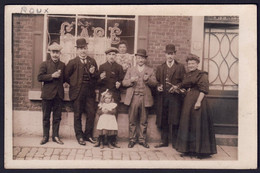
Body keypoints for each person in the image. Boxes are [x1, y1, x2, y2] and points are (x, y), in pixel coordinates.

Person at [175, 54, 217, 159]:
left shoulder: (202, 74)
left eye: (193, 63)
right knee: (188, 124)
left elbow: (203, 90)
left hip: (198, 100)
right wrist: (181, 89)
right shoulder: (187, 75)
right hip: (188, 101)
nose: (191, 65)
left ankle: (201, 151)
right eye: (189, 64)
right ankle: (188, 150)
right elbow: (185, 86)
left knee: (198, 125)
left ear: (197, 64)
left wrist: (198, 102)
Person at [65, 38, 99, 146]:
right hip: (77, 92)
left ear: (87, 49)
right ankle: (79, 136)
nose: (83, 51)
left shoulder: (92, 61)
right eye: (80, 48)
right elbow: (66, 76)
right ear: (77, 50)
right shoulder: (72, 62)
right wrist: (74, 84)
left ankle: (88, 135)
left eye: (84, 48)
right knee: (77, 114)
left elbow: (97, 78)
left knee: (91, 113)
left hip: (89, 92)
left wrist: (93, 74)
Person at [123, 49, 158, 148]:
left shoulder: (150, 70)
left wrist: (148, 80)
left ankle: (142, 140)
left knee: (143, 120)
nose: (141, 60)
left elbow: (155, 84)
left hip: (145, 98)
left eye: (142, 58)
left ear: (145, 59)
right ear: (136, 59)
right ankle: (132, 139)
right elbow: (124, 83)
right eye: (139, 58)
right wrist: (131, 80)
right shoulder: (131, 69)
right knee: (132, 119)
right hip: (133, 97)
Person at [154, 44, 186, 148]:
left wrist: (177, 87)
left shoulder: (180, 67)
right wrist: (158, 87)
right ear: (165, 55)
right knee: (164, 119)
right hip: (163, 98)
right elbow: (157, 82)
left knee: (175, 119)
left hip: (175, 98)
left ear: (175, 54)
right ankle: (164, 141)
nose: (170, 56)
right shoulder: (160, 67)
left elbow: (184, 82)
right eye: (168, 54)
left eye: (172, 54)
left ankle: (175, 142)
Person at [37, 42, 65, 145]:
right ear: (50, 52)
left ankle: (55, 136)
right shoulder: (44, 64)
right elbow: (39, 77)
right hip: (47, 94)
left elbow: (65, 78)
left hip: (58, 95)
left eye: (57, 52)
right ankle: (45, 136)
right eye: (53, 52)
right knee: (46, 117)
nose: (55, 54)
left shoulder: (63, 65)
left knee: (57, 117)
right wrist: (51, 76)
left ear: (60, 53)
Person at [97, 47, 124, 148]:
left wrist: (119, 84)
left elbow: (122, 81)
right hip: (104, 96)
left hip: (114, 97)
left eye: (113, 55)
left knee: (113, 118)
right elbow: (97, 83)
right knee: (102, 117)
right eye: (110, 54)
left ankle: (112, 140)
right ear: (106, 56)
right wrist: (101, 78)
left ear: (115, 56)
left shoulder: (119, 67)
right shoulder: (102, 66)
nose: (112, 56)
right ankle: (101, 140)